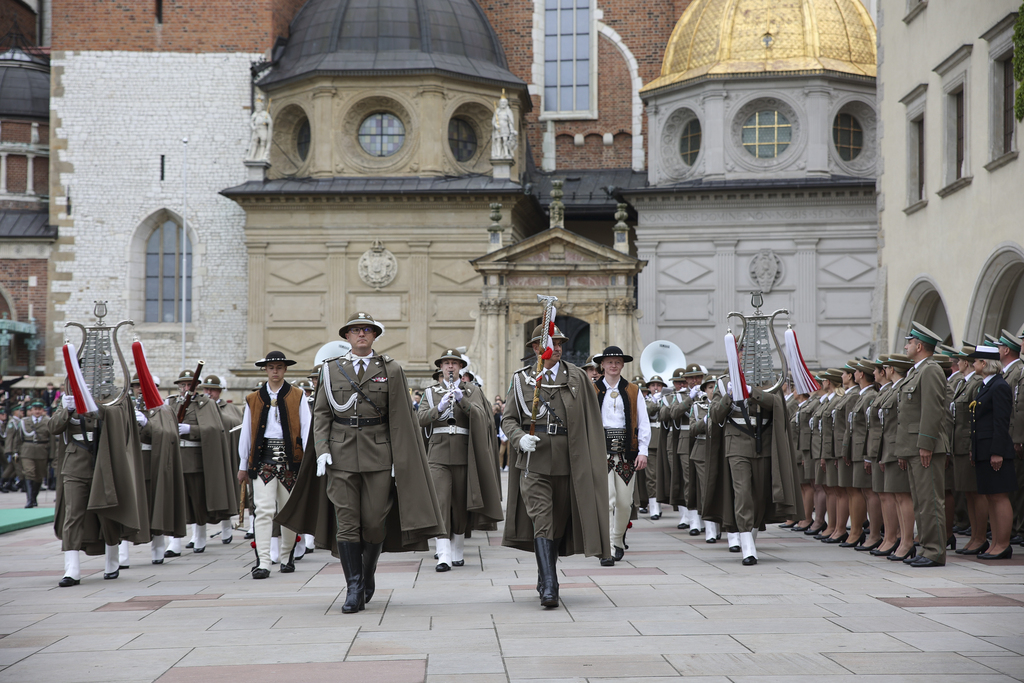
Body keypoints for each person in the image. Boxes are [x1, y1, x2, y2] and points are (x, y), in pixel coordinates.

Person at [278, 312, 444, 614]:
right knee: (347, 522)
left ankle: (367, 575)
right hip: (340, 456)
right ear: (347, 336)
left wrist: (399, 458)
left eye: (367, 330)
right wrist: (323, 449)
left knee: (375, 523)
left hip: (379, 455)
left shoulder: (390, 369)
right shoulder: (330, 370)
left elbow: (400, 417)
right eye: (355, 331)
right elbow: (323, 414)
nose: (361, 335)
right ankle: (353, 587)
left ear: (375, 336)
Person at [501, 323, 609, 608]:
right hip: (534, 461)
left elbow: (590, 420)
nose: (558, 347)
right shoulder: (522, 378)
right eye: (552, 342)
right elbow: (508, 418)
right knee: (542, 519)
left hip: (568, 461)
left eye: (561, 343)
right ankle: (550, 584)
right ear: (537, 348)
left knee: (558, 523)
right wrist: (519, 437)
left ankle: (543, 573)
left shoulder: (576, 377)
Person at [704, 365, 802, 566]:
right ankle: (747, 543)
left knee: (759, 494)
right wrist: (729, 396)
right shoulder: (723, 383)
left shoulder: (770, 380)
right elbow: (714, 415)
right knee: (742, 492)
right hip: (736, 443)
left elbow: (778, 405)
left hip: (763, 443)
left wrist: (752, 392)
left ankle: (751, 535)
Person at [417, 349, 503, 572]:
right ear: (441, 367)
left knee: (459, 504)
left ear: (460, 367)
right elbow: (420, 419)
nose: (450, 367)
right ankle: (443, 553)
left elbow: (482, 416)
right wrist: (440, 407)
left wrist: (461, 401)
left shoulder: (471, 390)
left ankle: (457, 549)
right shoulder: (430, 392)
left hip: (464, 453)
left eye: (454, 363)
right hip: (437, 454)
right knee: (441, 502)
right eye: (446, 363)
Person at [237, 351, 310, 578]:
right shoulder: (253, 398)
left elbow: (307, 429)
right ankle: (264, 561)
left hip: (291, 461)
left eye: (279, 367)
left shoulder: (298, 396)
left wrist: (308, 461)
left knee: (288, 510)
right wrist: (243, 464)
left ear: (285, 369)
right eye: (271, 367)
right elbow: (247, 433)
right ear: (265, 370)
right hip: (263, 460)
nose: (275, 371)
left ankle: (287, 557)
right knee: (264, 510)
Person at [897, 322, 952, 567]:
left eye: (909, 343)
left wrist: (926, 444)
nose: (906, 346)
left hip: (926, 446)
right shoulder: (917, 370)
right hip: (914, 445)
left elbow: (932, 410)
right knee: (921, 502)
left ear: (919, 346)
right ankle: (926, 547)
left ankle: (935, 551)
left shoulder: (930, 370)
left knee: (930, 501)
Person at [167, 369, 238, 557]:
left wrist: (191, 428)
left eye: (188, 385)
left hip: (195, 459)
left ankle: (199, 535)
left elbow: (214, 428)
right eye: (182, 385)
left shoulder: (204, 403)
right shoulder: (172, 403)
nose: (184, 388)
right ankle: (174, 541)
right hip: (176, 458)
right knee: (176, 501)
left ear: (195, 386)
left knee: (197, 500)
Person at [592, 346, 650, 566]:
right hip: (600, 452)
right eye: (609, 362)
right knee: (607, 501)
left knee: (625, 503)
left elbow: (643, 422)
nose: (613, 365)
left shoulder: (633, 390)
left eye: (617, 361)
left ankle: (617, 539)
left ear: (622, 365)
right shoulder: (593, 389)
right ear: (602, 365)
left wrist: (643, 450)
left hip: (627, 452)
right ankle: (608, 547)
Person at [132, 375, 187, 565]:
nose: (140, 389)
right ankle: (120, 554)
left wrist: (148, 425)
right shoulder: (124, 407)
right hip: (131, 463)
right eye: (137, 386)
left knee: (155, 506)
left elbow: (169, 434)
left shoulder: (164, 410)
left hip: (153, 463)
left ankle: (157, 550)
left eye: (145, 386)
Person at [970, 345, 1016, 559]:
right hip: (984, 449)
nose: (973, 364)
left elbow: (1001, 421)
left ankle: (1003, 544)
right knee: (990, 497)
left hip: (995, 451)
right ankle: (995, 542)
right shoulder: (987, 385)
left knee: (999, 497)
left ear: (985, 363)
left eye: (976, 361)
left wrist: (996, 451)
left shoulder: (999, 386)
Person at [845, 360, 881, 550]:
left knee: (868, 492)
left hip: (864, 450)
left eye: (856, 371)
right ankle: (857, 531)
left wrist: (868, 454)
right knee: (860, 491)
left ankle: (872, 534)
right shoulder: (863, 396)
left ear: (860, 375)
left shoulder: (869, 396)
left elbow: (870, 428)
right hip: (858, 449)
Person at [203, 375, 243, 545]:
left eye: (212, 389)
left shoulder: (231, 409)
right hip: (207, 456)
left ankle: (227, 528)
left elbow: (238, 426)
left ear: (220, 391)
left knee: (227, 491)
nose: (209, 393)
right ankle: (198, 535)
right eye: (206, 389)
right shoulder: (200, 408)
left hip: (228, 454)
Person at [993, 330, 1024, 545]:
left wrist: (1017, 436)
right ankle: (1014, 526)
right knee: (1015, 484)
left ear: (1005, 350)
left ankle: (1018, 527)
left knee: (1018, 485)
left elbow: (1018, 408)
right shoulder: (1010, 373)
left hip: (1015, 435)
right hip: (1011, 435)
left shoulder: (1017, 371)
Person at [19, 400, 50, 508]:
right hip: (27, 451)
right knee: (29, 472)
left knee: (38, 476)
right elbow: (18, 438)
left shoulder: (48, 421)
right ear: (31, 411)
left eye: (39, 409)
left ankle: (34, 497)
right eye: (35, 409)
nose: (37, 411)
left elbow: (51, 439)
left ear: (42, 411)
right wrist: (14, 451)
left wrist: (52, 456)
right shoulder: (24, 421)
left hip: (42, 451)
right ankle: (29, 500)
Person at [643, 375, 666, 520]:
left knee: (664, 475)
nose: (656, 388)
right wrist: (654, 402)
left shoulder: (667, 400)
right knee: (651, 476)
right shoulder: (644, 401)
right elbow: (646, 412)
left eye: (659, 385)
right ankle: (654, 508)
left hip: (663, 440)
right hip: (651, 441)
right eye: (653, 385)